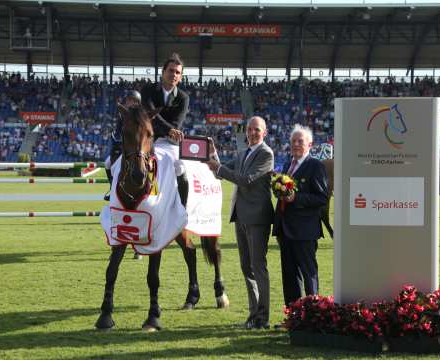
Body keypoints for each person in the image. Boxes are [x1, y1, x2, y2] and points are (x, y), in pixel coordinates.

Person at [205, 116, 274, 330]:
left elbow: (245, 180)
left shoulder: (266, 153)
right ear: (246, 132)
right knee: (247, 267)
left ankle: (262, 317)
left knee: (258, 267)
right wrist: (211, 153)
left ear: (265, 132)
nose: (253, 133)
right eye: (250, 129)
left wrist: (218, 168)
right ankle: (253, 314)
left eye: (257, 130)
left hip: (257, 218)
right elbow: (221, 170)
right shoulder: (244, 152)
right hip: (241, 217)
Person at [272, 124, 329, 309]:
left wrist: (296, 197)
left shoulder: (315, 165)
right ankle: (293, 315)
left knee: (308, 273)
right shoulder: (288, 164)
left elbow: (321, 197)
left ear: (310, 144)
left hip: (305, 230)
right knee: (289, 275)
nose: (296, 144)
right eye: (293, 141)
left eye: (300, 141)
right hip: (285, 229)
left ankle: (313, 315)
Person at [141, 53, 190, 208]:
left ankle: (183, 207)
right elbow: (150, 116)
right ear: (163, 72)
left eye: (177, 72)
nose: (173, 74)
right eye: (171, 70)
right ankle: (150, 200)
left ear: (181, 77)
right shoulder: (147, 90)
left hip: (169, 142)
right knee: (118, 163)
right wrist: (169, 129)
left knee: (180, 165)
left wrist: (169, 131)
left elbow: (177, 124)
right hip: (147, 139)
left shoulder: (183, 97)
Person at [103, 90, 142, 201]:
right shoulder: (122, 114)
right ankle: (112, 188)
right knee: (107, 164)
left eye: (131, 100)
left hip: (135, 149)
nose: (128, 102)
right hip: (122, 147)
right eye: (128, 100)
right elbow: (118, 131)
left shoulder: (139, 116)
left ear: (137, 102)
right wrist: (115, 137)